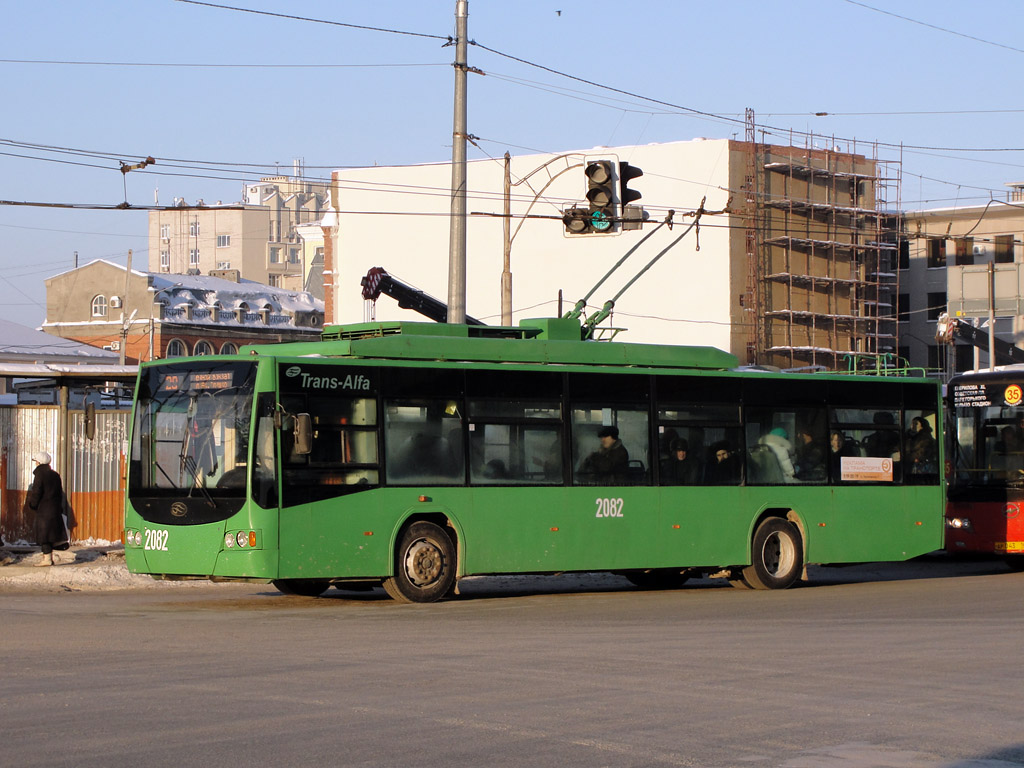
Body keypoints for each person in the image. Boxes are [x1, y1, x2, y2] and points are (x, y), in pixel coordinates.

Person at [26, 451, 67, 567]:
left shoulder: (40, 475)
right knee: (50, 534)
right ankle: (48, 558)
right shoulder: (55, 475)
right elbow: (59, 493)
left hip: (44, 510)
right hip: (54, 508)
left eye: (36, 461)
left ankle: (47, 559)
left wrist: (33, 504)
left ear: (39, 462)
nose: (35, 463)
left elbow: (36, 492)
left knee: (44, 535)